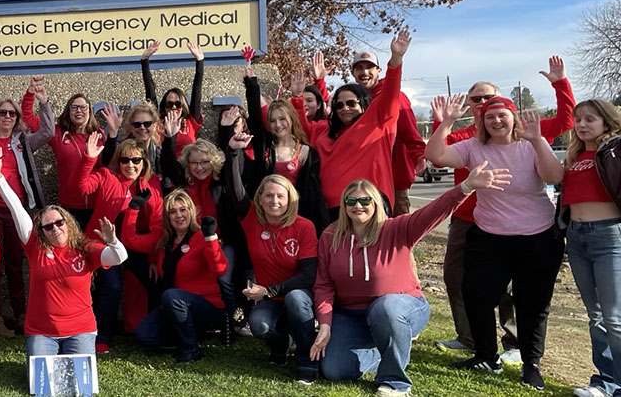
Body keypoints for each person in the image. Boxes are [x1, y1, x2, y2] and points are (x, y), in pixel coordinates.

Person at [311, 168, 506, 397]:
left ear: (376, 203)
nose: (358, 205)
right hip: (352, 315)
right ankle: (387, 347)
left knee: (386, 308)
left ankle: (395, 383)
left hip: (402, 306)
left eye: (365, 200)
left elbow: (436, 211)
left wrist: (466, 187)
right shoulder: (330, 236)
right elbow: (323, 284)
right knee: (335, 370)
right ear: (344, 206)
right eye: (351, 200)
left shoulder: (398, 228)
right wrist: (325, 324)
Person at [432, 59, 574, 360]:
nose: (485, 106)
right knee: (465, 284)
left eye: (490, 99)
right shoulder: (467, 138)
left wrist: (561, 84)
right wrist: (444, 121)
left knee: (515, 291)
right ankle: (472, 340)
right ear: (472, 107)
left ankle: (515, 344)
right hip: (471, 218)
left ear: (508, 109)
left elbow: (564, 123)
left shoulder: (528, 133)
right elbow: (436, 153)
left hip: (524, 226)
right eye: (478, 100)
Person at [0, 154, 128, 357]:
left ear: (68, 223)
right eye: (47, 226)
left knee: (79, 386)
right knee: (41, 387)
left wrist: (113, 241)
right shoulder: (34, 247)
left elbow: (119, 257)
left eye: (59, 222)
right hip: (42, 332)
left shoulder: (86, 248)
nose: (55, 228)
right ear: (42, 232)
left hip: (80, 330)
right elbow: (16, 209)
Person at [293, 29, 412, 216]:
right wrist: (298, 98)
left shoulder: (377, 123)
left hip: (369, 206)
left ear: (364, 104)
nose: (344, 108)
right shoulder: (325, 130)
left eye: (351, 103)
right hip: (331, 211)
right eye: (339, 105)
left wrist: (396, 59)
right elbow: (301, 128)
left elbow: (390, 93)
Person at [225, 168, 319, 384]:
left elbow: (308, 275)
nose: (274, 200)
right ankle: (281, 344)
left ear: (290, 199)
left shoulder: (304, 226)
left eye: (280, 196)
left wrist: (268, 291)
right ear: (259, 198)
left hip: (298, 295)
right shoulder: (252, 220)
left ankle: (306, 361)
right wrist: (232, 152)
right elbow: (236, 189)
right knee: (259, 325)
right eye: (268, 195)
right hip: (270, 299)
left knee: (295, 299)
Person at [160, 121, 248, 341]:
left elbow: (235, 170)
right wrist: (170, 138)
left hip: (222, 241)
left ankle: (229, 321)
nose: (199, 167)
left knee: (224, 279)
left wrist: (234, 147)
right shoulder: (185, 184)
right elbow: (168, 164)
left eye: (204, 162)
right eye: (194, 163)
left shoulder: (222, 183)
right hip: (192, 241)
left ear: (214, 162)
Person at [0, 79, 54, 336]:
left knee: (16, 264)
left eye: (13, 113)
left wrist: (42, 102)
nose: (8, 117)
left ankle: (23, 315)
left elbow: (48, 133)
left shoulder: (22, 141)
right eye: (3, 112)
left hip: (17, 210)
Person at [79, 132, 163, 352]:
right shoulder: (107, 175)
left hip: (132, 245)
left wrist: (153, 259)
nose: (130, 165)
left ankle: (156, 333)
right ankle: (101, 337)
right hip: (100, 244)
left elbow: (157, 225)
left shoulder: (150, 185)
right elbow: (83, 187)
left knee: (154, 281)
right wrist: (89, 159)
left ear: (144, 162)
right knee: (113, 286)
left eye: (136, 160)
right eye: (125, 160)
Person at [124, 189, 228, 363]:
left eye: (183, 210)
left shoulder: (202, 236)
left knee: (171, 295)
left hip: (205, 306)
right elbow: (130, 241)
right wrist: (133, 209)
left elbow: (220, 269)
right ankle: (190, 334)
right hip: (174, 307)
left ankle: (191, 350)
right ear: (167, 217)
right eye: (173, 212)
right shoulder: (165, 241)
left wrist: (211, 239)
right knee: (145, 336)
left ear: (191, 212)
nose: (178, 215)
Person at [561, 100, 621, 397]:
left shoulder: (615, 150)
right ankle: (605, 380)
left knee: (614, 316)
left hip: (609, 236)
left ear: (607, 122)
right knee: (595, 315)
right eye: (578, 120)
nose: (581, 125)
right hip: (577, 237)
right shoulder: (575, 155)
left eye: (589, 119)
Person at [347, 48, 426, 215]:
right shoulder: (352, 102)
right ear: (353, 72)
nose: (364, 72)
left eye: (369, 67)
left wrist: (418, 154)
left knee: (396, 232)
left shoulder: (394, 96)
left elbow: (409, 130)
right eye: (359, 68)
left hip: (393, 179)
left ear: (378, 70)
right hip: (362, 180)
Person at [251, 74, 329, 234]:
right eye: (272, 121)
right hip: (268, 213)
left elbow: (313, 193)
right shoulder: (266, 149)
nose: (278, 125)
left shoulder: (306, 152)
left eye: (282, 119)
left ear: (292, 119)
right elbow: (255, 116)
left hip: (297, 214)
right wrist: (251, 82)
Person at [24, 87, 103, 230]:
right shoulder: (58, 134)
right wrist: (36, 97)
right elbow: (28, 117)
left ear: (90, 111)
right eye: (74, 107)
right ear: (68, 111)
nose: (79, 110)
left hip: (97, 205)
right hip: (70, 207)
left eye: (83, 107)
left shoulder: (100, 135)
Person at [140, 40, 205, 154]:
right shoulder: (158, 123)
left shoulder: (190, 121)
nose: (174, 107)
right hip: (163, 168)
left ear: (183, 106)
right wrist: (144, 60)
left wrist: (200, 62)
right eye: (170, 104)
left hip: (187, 168)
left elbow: (197, 93)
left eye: (178, 104)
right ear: (164, 107)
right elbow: (150, 93)